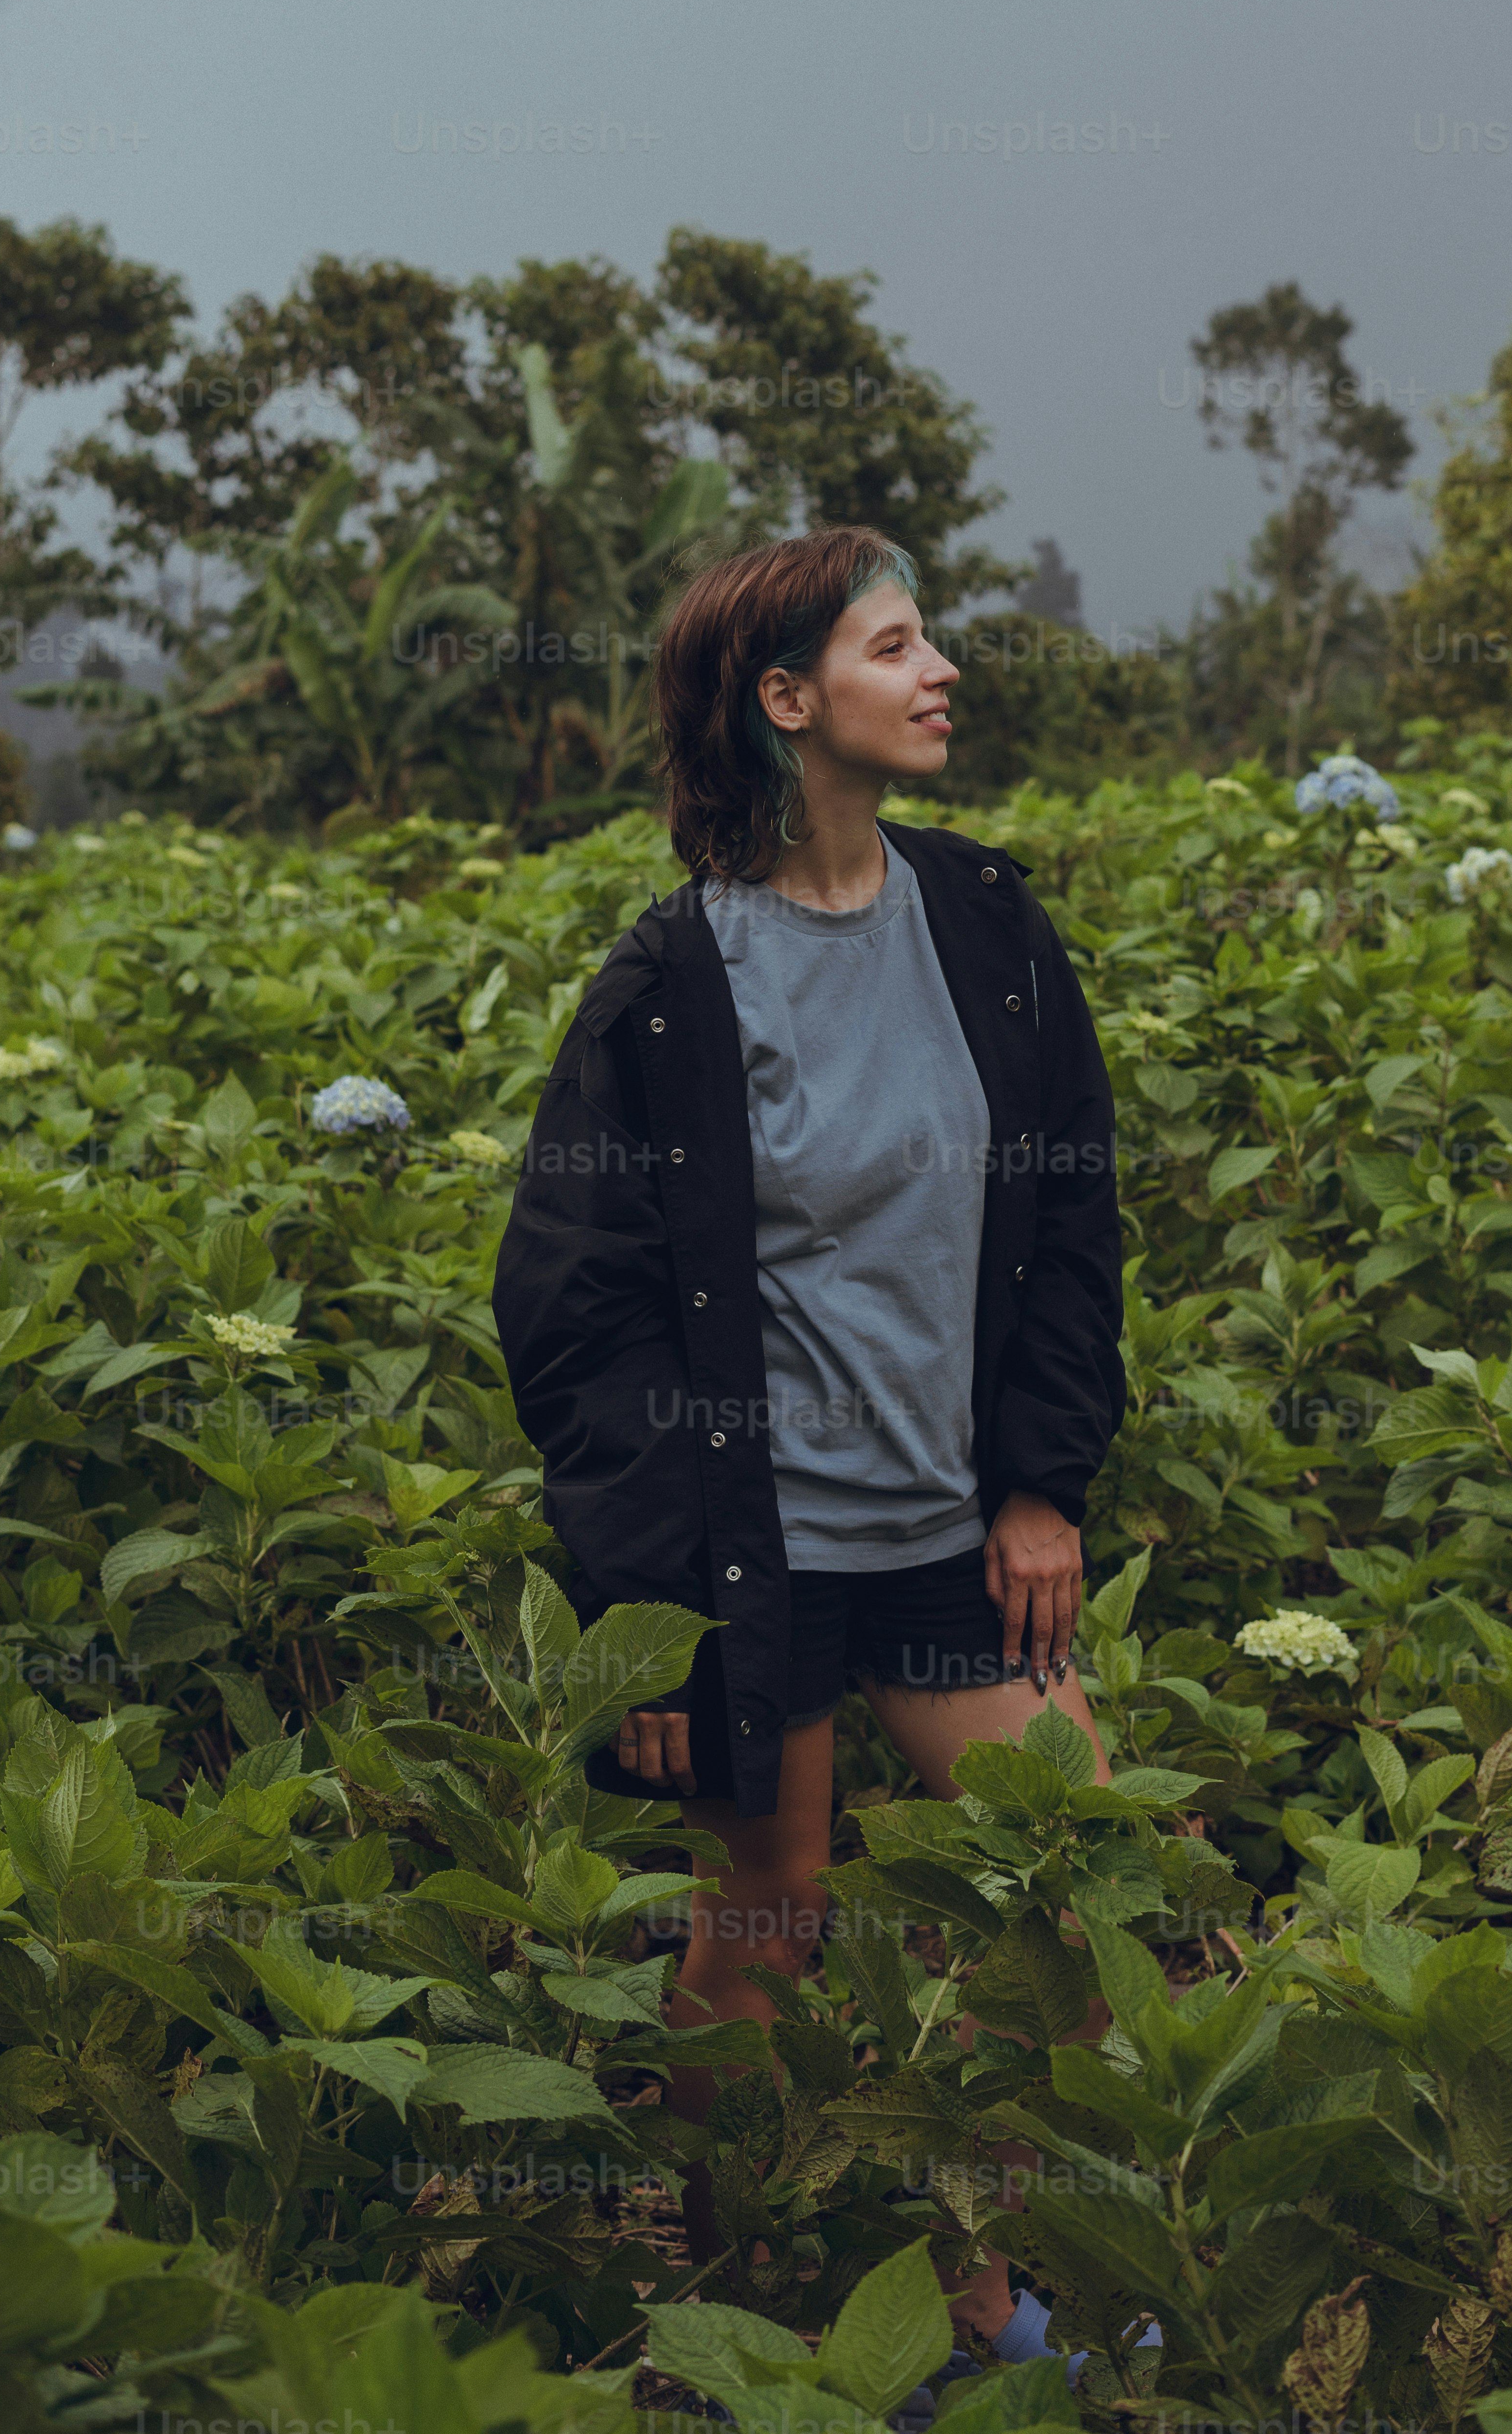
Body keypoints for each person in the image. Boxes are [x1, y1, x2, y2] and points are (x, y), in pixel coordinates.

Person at [493, 526, 1126, 2361]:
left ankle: (1000, 2288)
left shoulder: (990, 929)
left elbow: (1073, 1225)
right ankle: (740, 2304)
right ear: (788, 701)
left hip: (946, 1538)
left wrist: (1037, 1483)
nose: (942, 674)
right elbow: (579, 1318)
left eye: (932, 643)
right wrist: (657, 1616)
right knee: (758, 1936)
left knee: (1072, 1878)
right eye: (897, 646)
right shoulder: (669, 987)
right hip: (748, 1566)